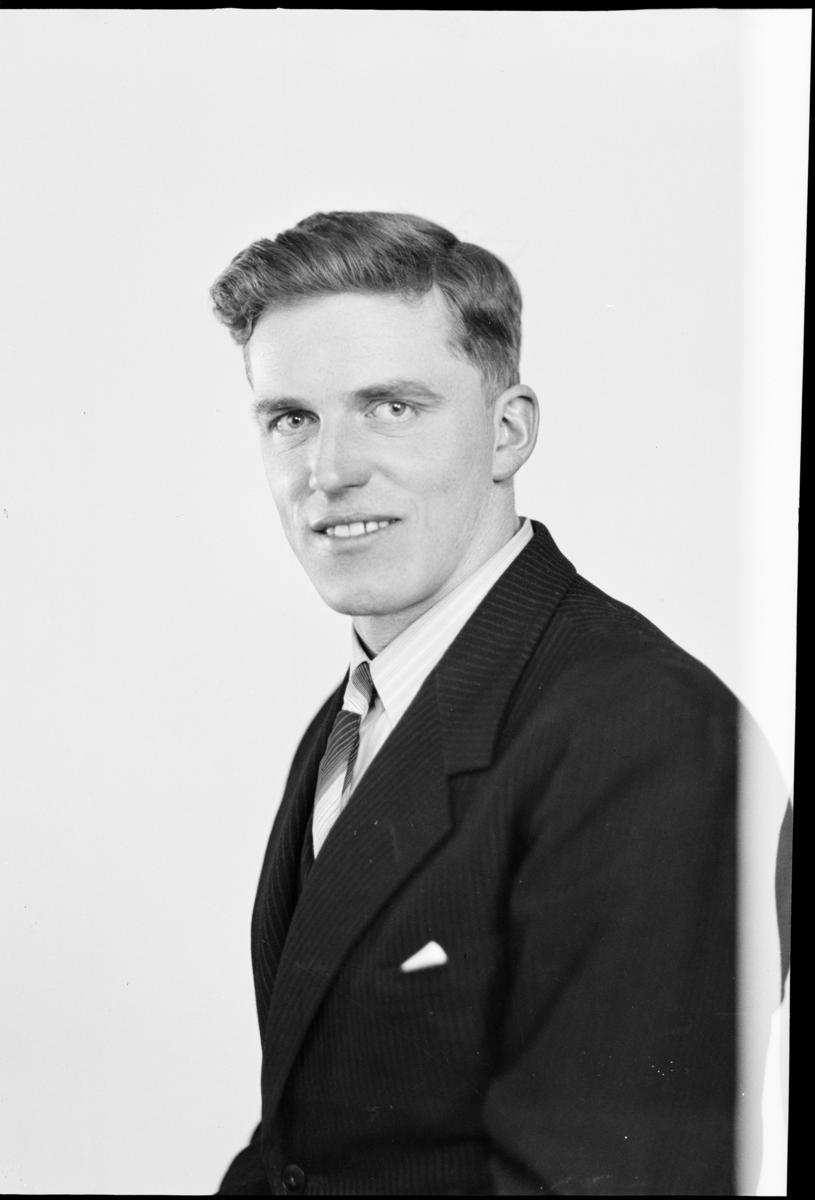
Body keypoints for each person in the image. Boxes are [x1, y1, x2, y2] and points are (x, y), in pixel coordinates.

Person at [209, 211, 743, 1196]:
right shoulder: (356, 714)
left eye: (390, 407)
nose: (329, 471)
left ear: (508, 432)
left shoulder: (645, 733)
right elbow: (302, 1152)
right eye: (291, 418)